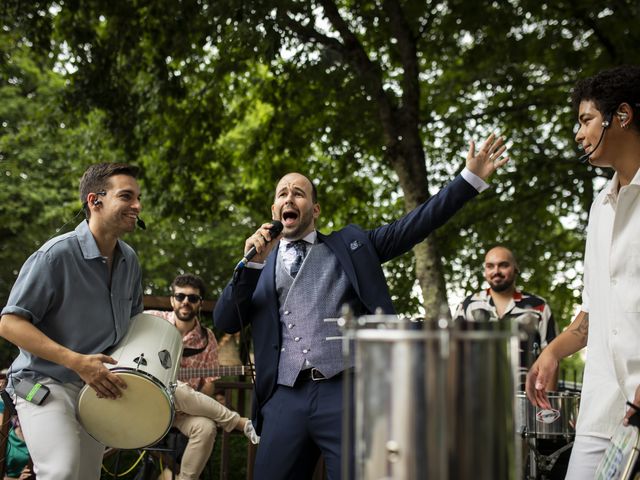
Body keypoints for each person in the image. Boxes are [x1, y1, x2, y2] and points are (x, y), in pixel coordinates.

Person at [214, 132, 509, 479]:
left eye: (299, 192)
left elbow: (415, 225)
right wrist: (250, 265)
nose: (289, 197)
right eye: (282, 193)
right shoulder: (259, 266)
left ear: (315, 209)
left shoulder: (352, 244)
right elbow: (225, 320)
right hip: (284, 397)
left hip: (347, 393)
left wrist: (468, 180)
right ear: (275, 211)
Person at [526, 65, 640, 478]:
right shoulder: (599, 209)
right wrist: (552, 352)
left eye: (586, 119)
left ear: (621, 117)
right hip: (603, 406)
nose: (578, 133)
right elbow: (595, 312)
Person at [0, 163, 145, 480]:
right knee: (61, 471)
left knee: (86, 476)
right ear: (95, 201)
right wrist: (76, 361)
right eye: (126, 196)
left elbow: (135, 326)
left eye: (138, 197)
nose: (137, 205)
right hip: (41, 382)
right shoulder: (55, 256)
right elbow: (9, 323)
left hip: (95, 389)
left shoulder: (130, 261)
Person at [145, 273, 258, 480]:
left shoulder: (208, 339)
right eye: (180, 297)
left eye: (193, 298)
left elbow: (208, 387)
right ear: (172, 300)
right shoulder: (152, 321)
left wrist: (195, 399)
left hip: (182, 411)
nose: (186, 302)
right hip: (149, 401)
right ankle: (240, 423)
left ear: (199, 303)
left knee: (206, 428)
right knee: (171, 385)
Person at [454, 246, 557, 380]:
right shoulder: (467, 306)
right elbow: (454, 354)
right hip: (477, 395)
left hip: (525, 396)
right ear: (485, 271)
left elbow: (551, 356)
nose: (496, 271)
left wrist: (548, 398)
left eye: (503, 265)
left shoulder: (539, 307)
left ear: (516, 268)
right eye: (490, 266)